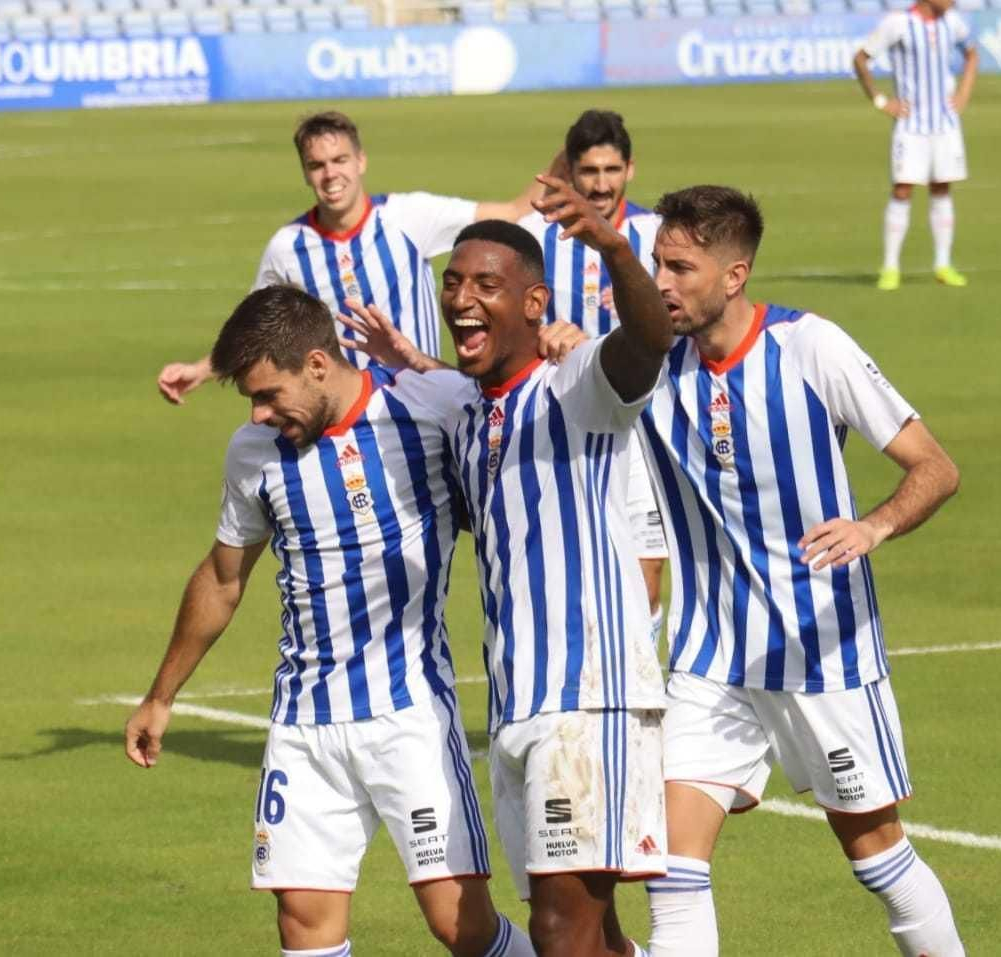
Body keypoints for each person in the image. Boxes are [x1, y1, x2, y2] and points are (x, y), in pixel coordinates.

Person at [123, 284, 537, 957]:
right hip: (305, 725)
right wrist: (160, 696)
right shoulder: (254, 452)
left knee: (460, 925)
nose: (259, 413)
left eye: (267, 393)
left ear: (317, 364)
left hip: (411, 717)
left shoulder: (424, 413)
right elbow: (224, 578)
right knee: (304, 927)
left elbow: (515, 412)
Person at [342, 178, 675, 957]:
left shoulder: (579, 386)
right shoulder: (465, 410)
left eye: (486, 284)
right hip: (517, 703)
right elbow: (460, 386)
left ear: (535, 305)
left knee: (561, 932)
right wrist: (406, 358)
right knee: (599, 937)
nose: (461, 295)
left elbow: (651, 341)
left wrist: (615, 248)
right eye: (452, 282)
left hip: (589, 698)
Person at [635, 186, 965, 957]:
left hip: (825, 661)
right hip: (711, 661)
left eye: (681, 266)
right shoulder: (651, 366)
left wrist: (874, 524)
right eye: (657, 263)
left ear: (735, 273)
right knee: (671, 866)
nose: (662, 282)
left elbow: (935, 467)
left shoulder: (812, 348)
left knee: (877, 855)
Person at [156, 110, 555, 403]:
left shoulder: (408, 216)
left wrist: (571, 156)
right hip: (345, 416)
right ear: (305, 172)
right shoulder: (288, 246)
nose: (330, 174)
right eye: (317, 165)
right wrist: (201, 371)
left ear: (360, 161)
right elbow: (256, 331)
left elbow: (512, 212)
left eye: (339, 160)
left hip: (426, 403)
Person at [518, 109, 670, 644]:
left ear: (630, 169)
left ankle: (640, 701)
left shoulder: (658, 237)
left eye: (611, 170)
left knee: (647, 576)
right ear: (570, 174)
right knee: (569, 576)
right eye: (589, 172)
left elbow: (690, 323)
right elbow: (510, 333)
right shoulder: (532, 237)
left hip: (647, 431)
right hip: (562, 432)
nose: (601, 185)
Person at [853, 0, 980, 291]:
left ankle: (943, 264)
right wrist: (881, 100)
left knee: (942, 187)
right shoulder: (897, 24)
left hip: (945, 124)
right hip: (911, 126)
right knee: (902, 189)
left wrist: (963, 93)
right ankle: (890, 267)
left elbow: (972, 53)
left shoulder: (953, 22)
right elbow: (860, 58)